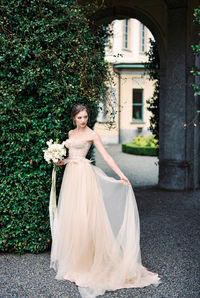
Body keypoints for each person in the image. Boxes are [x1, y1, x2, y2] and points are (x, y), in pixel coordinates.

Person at [50, 103, 161, 298]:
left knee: (86, 219)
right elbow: (72, 156)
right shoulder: (70, 133)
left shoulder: (92, 134)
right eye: (80, 118)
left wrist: (121, 175)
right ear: (73, 118)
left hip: (85, 177)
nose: (83, 121)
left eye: (85, 117)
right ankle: (76, 262)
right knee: (74, 218)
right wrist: (60, 160)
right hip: (71, 177)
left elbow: (107, 156)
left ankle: (90, 263)